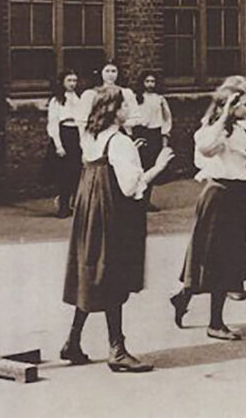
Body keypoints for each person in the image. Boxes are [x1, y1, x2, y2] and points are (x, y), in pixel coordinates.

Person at [60, 86, 174, 372]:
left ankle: (73, 341)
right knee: (112, 274)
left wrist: (128, 156)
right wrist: (158, 166)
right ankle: (117, 349)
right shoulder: (120, 141)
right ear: (114, 110)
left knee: (92, 271)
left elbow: (101, 164)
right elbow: (130, 186)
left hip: (90, 208)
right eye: (126, 106)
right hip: (112, 210)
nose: (130, 110)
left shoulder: (93, 135)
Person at [169, 76, 246, 340]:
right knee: (214, 258)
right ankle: (214, 323)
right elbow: (205, 148)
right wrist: (223, 115)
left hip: (237, 196)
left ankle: (184, 298)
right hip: (219, 196)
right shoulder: (214, 130)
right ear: (229, 107)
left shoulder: (241, 129)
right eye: (243, 106)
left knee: (224, 259)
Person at [132, 71, 173, 211]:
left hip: (154, 134)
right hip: (140, 132)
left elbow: (167, 119)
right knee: (139, 166)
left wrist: (164, 136)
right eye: (147, 81)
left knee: (151, 166)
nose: (150, 84)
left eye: (152, 82)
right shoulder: (136, 98)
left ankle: (146, 200)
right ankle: (136, 197)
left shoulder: (159, 99)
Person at [45, 71, 83, 218]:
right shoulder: (57, 100)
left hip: (77, 135)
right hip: (64, 134)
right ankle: (63, 206)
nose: (72, 84)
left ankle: (75, 204)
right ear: (63, 82)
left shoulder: (79, 99)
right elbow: (53, 123)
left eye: (75, 80)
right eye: (69, 80)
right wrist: (58, 145)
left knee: (77, 172)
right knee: (64, 174)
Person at [77, 62, 141, 135]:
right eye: (107, 71)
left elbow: (135, 116)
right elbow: (82, 119)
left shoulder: (126, 93)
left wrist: (118, 124)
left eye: (113, 71)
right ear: (101, 73)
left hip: (120, 132)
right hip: (97, 134)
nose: (110, 74)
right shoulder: (91, 94)